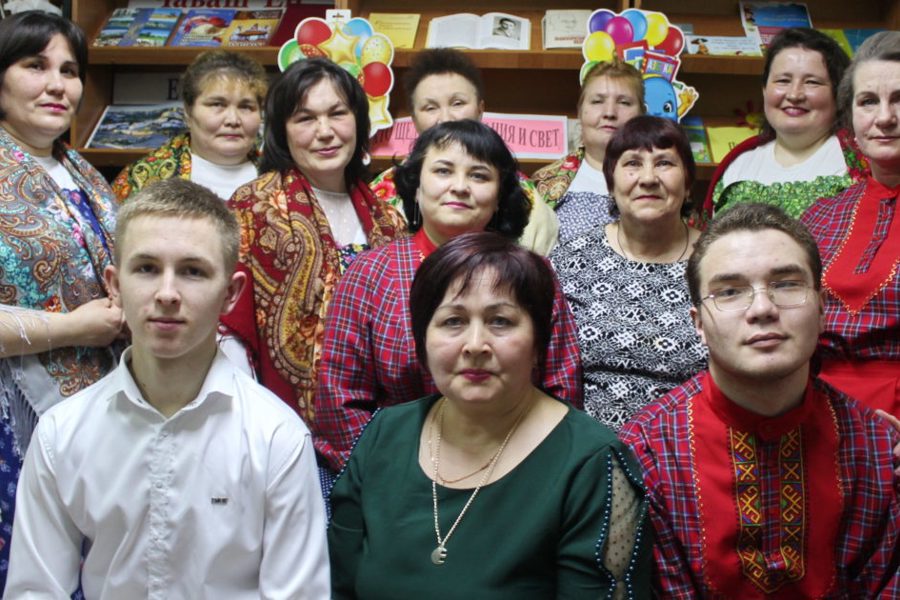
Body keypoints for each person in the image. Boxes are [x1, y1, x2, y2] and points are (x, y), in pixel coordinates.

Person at [6, 179, 330, 599]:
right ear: (114, 285)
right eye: (146, 268)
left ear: (230, 293)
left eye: (193, 271)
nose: (167, 294)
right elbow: (35, 590)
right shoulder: (61, 434)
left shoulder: (277, 439)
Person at [328, 232, 651, 598]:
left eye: (500, 321)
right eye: (453, 321)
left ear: (538, 343)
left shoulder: (593, 464)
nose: (475, 345)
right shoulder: (385, 434)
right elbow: (342, 585)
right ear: (422, 341)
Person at [620, 203, 900, 598]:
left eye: (786, 284)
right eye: (730, 291)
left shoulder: (876, 447)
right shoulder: (647, 452)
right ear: (699, 324)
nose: (763, 309)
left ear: (822, 309)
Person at [314, 120, 582, 474]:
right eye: (443, 170)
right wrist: (391, 479)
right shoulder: (370, 273)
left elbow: (561, 386)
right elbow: (340, 402)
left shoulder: (532, 274)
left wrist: (517, 476)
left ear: (500, 196)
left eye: (479, 175)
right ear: (416, 186)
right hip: (393, 472)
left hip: (517, 470)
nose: (459, 186)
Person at [0, 11, 122, 590]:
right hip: (14, 415)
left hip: (95, 410)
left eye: (70, 71)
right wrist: (72, 328)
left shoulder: (82, 172)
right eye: (35, 66)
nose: (57, 85)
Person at [219, 58, 404, 426]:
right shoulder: (252, 207)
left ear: (359, 121)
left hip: (381, 419)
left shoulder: (389, 220)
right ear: (281, 131)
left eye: (337, 113)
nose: (325, 132)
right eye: (305, 119)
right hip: (278, 420)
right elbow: (227, 327)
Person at [551, 116, 706, 431]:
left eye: (664, 163)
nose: (648, 178)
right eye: (633, 163)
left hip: (689, 445)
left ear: (688, 182)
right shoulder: (569, 260)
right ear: (611, 183)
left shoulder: (720, 262)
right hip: (587, 448)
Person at [369, 48, 559, 255]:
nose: (446, 118)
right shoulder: (379, 194)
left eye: (457, 103)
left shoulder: (524, 195)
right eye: (430, 108)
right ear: (414, 119)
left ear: (480, 109)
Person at [801, 31, 900, 416]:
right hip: (813, 414)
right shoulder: (819, 216)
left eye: (899, 99)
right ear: (850, 119)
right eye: (868, 101)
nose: (885, 118)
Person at [702, 28, 867, 221]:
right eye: (783, 81)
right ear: (764, 89)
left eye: (812, 82)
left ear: (839, 94)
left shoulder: (860, 162)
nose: (794, 95)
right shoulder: (739, 162)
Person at [112, 50, 267, 202]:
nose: (233, 120)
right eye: (217, 104)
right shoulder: (141, 179)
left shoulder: (276, 174)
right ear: (188, 112)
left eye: (246, 107)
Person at [532, 60, 645, 244]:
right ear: (580, 111)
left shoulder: (660, 182)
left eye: (624, 102)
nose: (609, 113)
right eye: (597, 101)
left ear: (642, 114)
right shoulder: (544, 183)